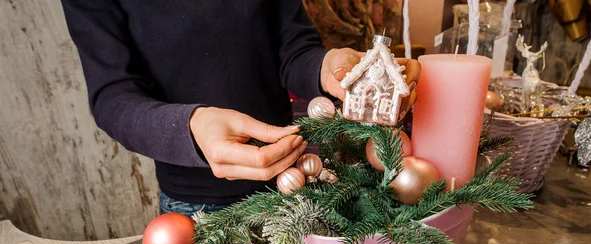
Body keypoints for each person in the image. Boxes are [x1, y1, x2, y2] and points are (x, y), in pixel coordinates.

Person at [60, 0, 420, 216]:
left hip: (292, 186)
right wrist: (189, 128)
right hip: (196, 209)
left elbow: (293, 48)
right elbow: (113, 97)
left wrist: (325, 66)